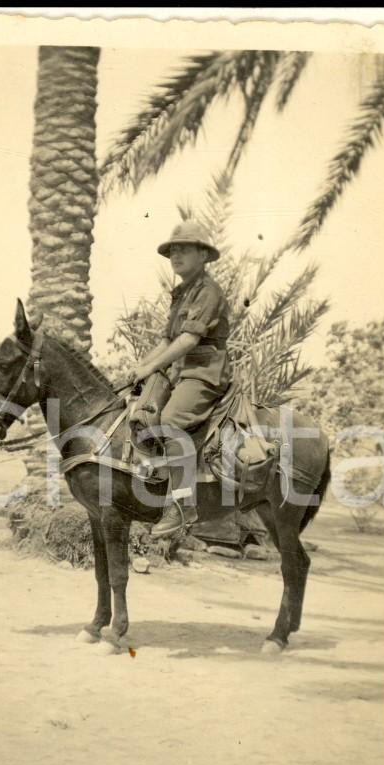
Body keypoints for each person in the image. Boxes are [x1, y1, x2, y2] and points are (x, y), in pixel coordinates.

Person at [129, 220, 232, 537]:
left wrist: (151, 369)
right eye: (173, 250)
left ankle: (183, 505)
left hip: (204, 371)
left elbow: (188, 340)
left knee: (170, 422)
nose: (176, 255)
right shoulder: (182, 294)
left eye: (184, 249)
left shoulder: (208, 292)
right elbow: (167, 339)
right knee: (138, 410)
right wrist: (141, 366)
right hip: (179, 371)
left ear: (203, 255)